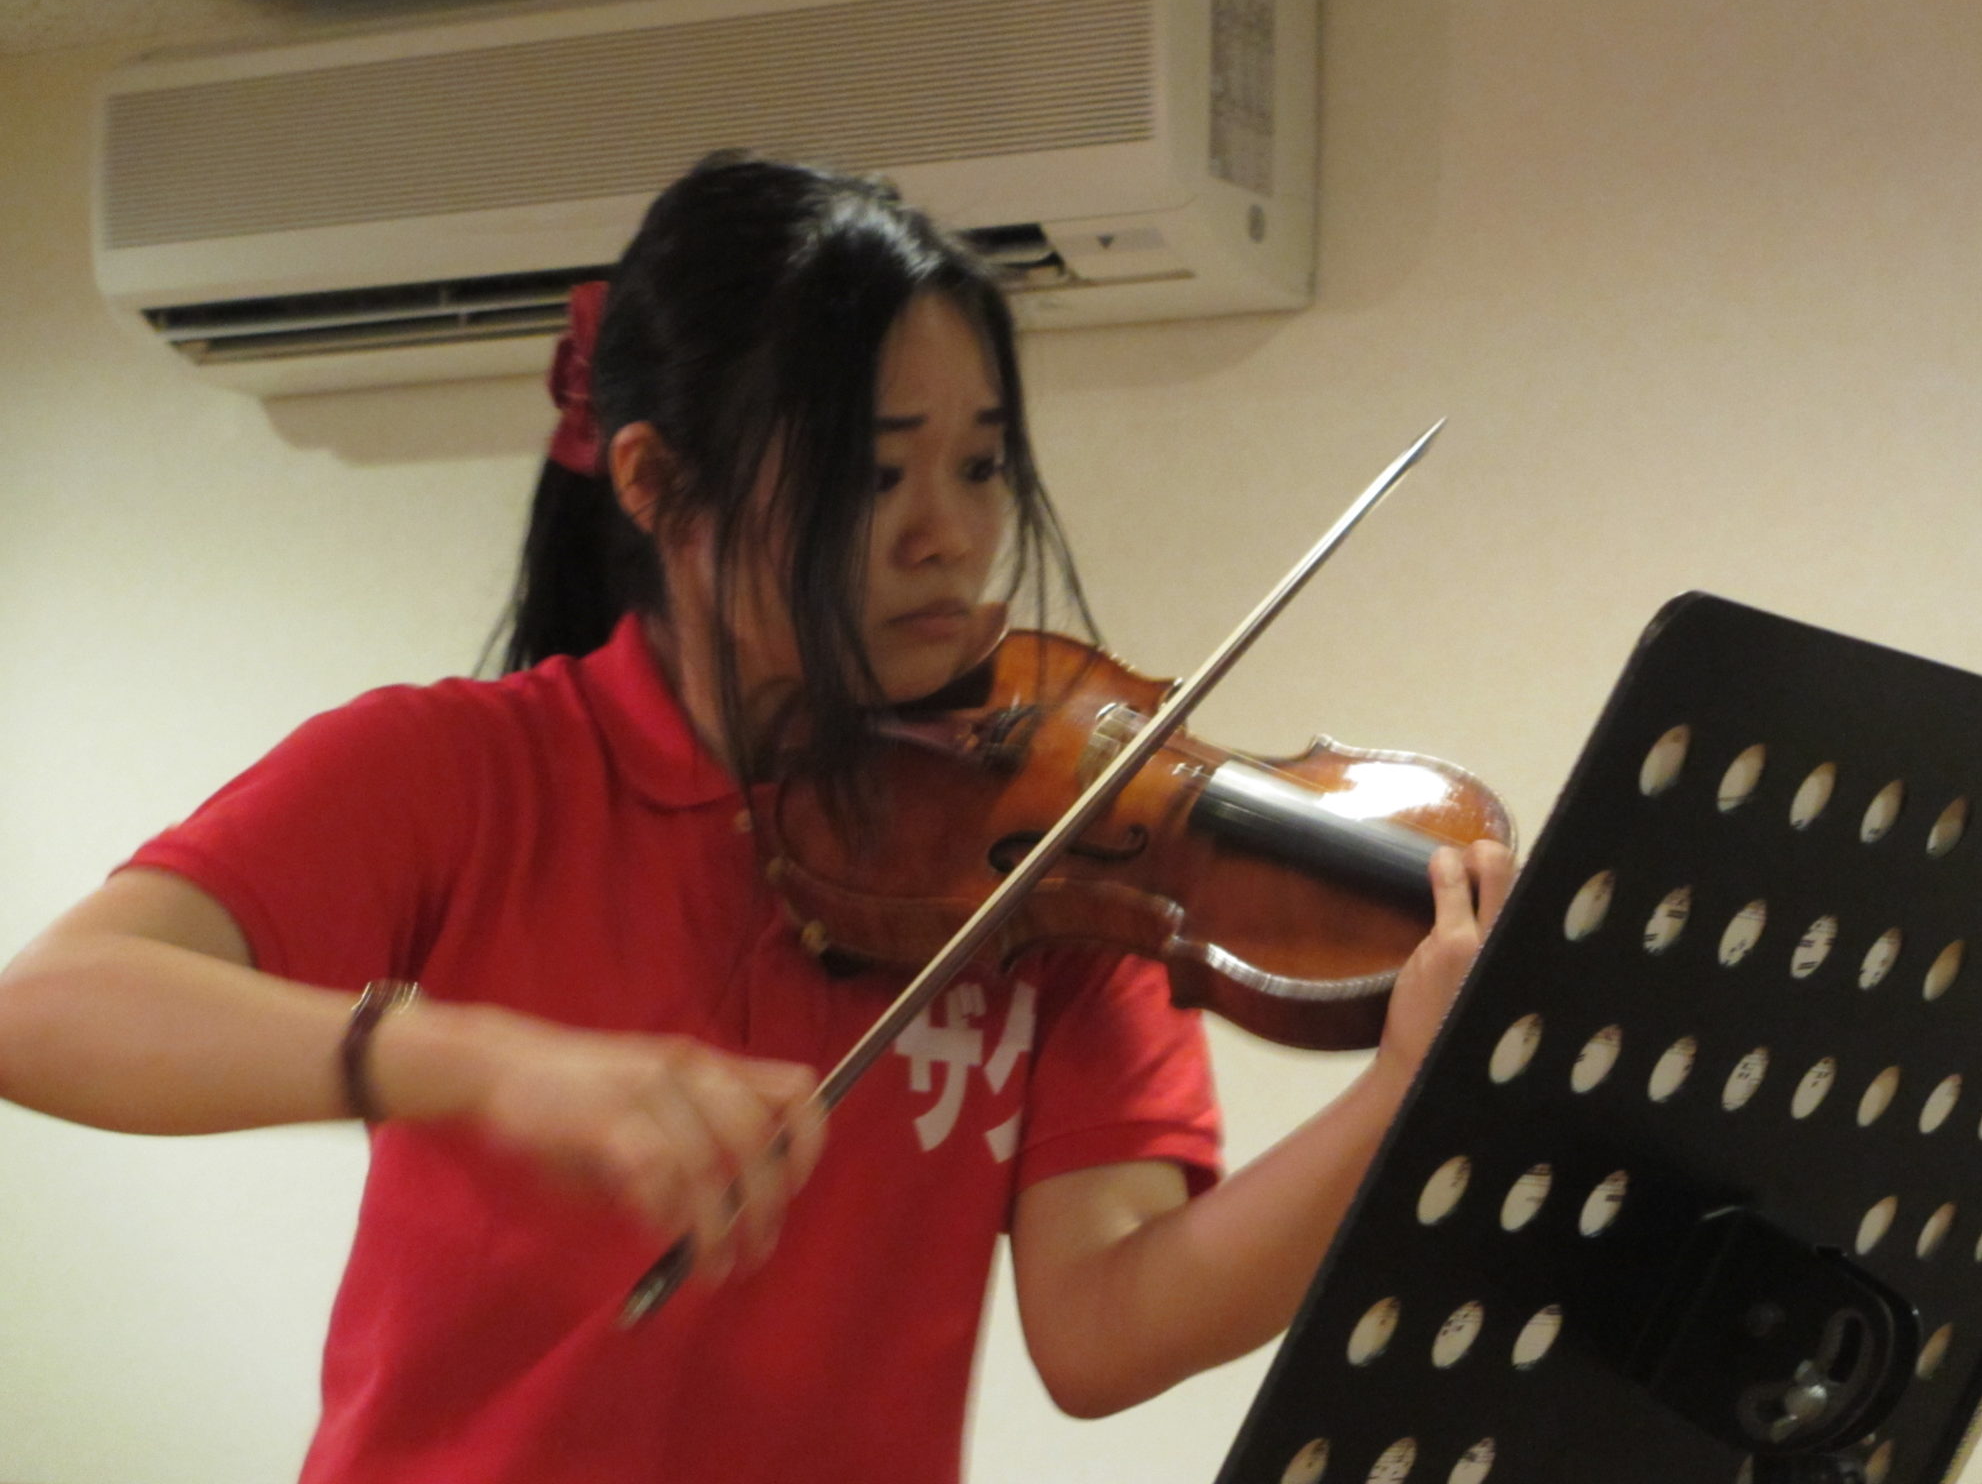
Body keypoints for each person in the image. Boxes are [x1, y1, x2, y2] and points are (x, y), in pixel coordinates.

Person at [0, 151, 1513, 1483]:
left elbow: (1106, 1328)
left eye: (981, 464)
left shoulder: (1054, 845)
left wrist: (1399, 1098)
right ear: (662, 487)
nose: (951, 535)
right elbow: (50, 1007)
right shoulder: (467, 773)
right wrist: (473, 1064)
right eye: (873, 474)